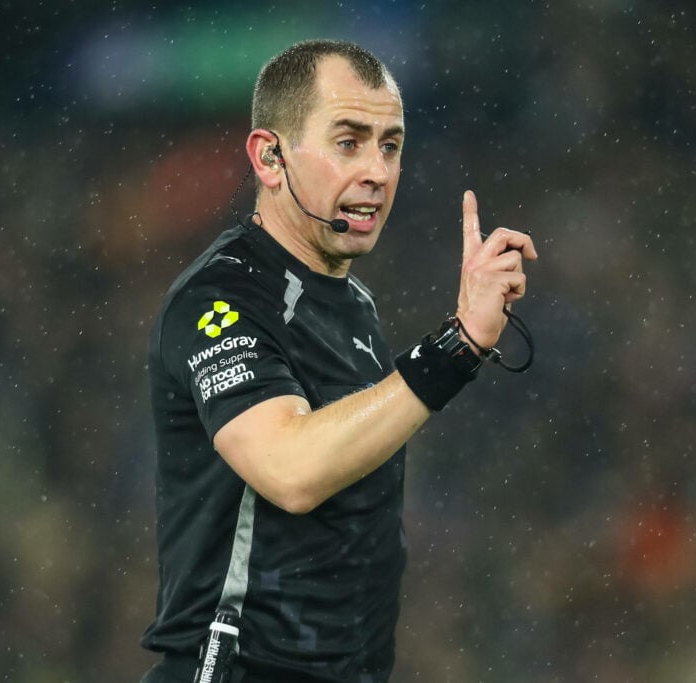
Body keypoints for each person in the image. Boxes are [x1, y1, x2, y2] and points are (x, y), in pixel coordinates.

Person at [141, 39, 537, 683]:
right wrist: (457, 346)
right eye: (348, 142)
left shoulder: (352, 304)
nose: (377, 171)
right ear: (270, 157)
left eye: (391, 145)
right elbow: (292, 468)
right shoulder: (222, 296)